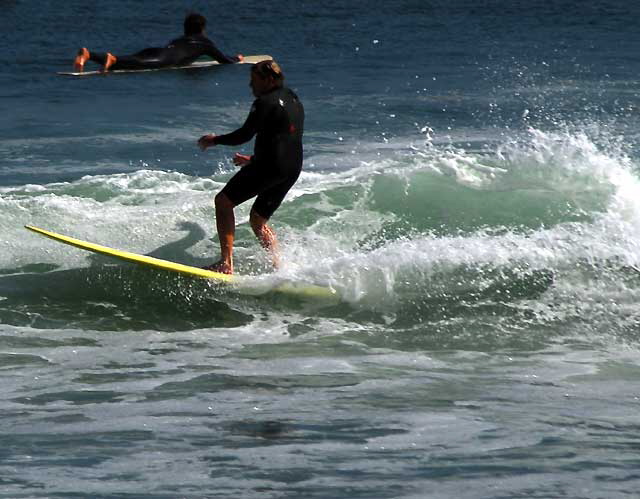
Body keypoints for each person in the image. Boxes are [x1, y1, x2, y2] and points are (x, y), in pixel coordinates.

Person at [197, 60, 304, 275]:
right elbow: (285, 136)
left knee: (223, 201)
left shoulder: (264, 103)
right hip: (291, 167)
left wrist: (215, 140)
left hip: (272, 166)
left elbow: (244, 134)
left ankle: (226, 264)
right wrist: (254, 159)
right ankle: (278, 267)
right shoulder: (292, 97)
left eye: (254, 81)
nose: (250, 86)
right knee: (258, 221)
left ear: (269, 80)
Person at [73, 13, 243, 72]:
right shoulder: (205, 43)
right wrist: (237, 58)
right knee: (126, 63)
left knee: (128, 61)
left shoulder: (179, 39)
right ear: (202, 29)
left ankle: (90, 55)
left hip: (154, 51)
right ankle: (111, 59)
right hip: (164, 59)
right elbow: (224, 60)